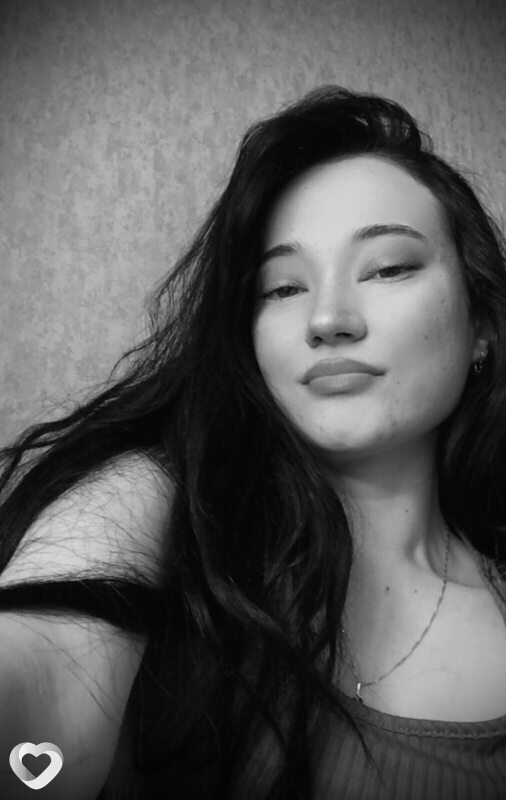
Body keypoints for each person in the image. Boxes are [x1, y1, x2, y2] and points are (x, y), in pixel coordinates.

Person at [0, 86, 505, 800]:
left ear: (481, 324)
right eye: (282, 288)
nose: (328, 319)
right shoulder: (162, 503)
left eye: (388, 267)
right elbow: (40, 686)